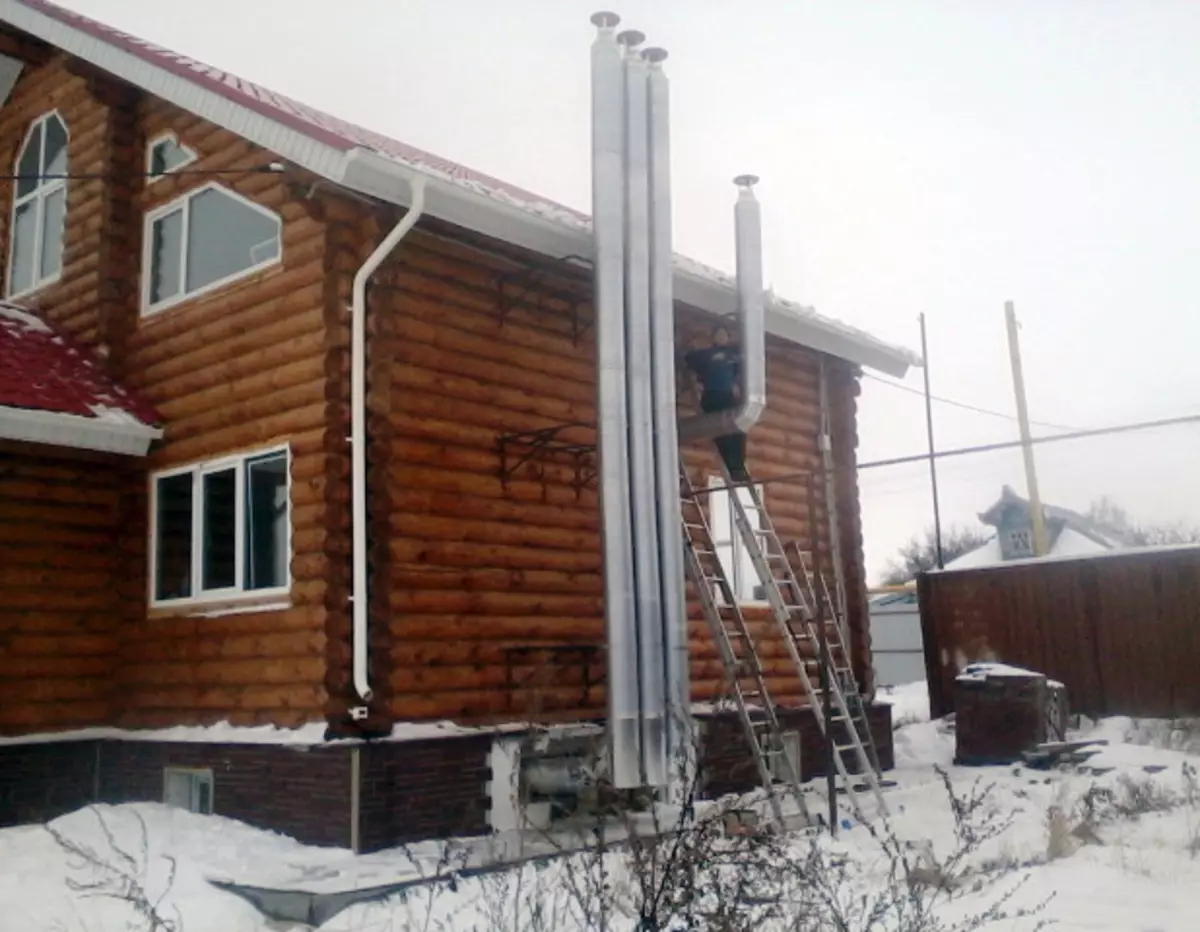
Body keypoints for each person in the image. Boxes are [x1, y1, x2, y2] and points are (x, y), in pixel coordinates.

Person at [684, 323, 749, 481]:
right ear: (713, 337)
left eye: (724, 334)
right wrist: (690, 348)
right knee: (721, 432)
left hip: (727, 396)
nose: (721, 337)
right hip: (712, 396)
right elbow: (690, 360)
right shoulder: (707, 354)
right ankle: (731, 464)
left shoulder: (734, 355)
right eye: (718, 334)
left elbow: (744, 368)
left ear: (728, 338)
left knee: (739, 427)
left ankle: (737, 466)